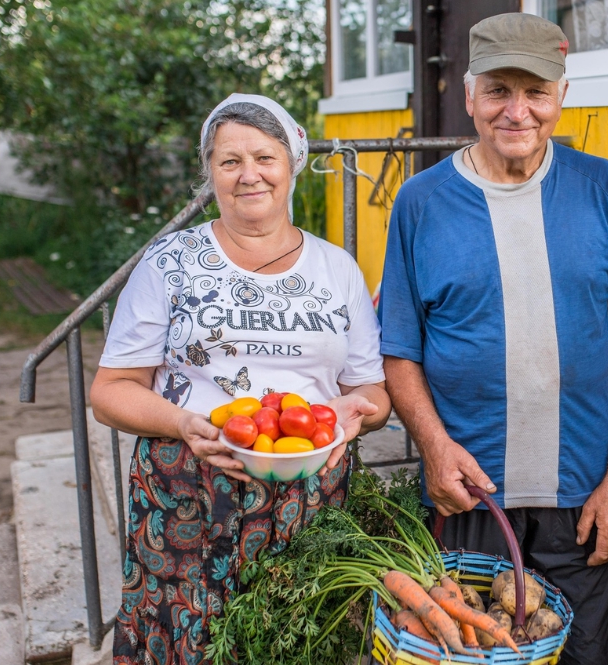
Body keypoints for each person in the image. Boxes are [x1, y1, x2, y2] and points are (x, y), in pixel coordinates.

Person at [378, 13, 608, 663]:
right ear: (468, 94)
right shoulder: (421, 202)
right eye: (498, 90)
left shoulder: (605, 189)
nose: (518, 111)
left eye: (535, 91)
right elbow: (399, 348)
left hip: (583, 494)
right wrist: (434, 447)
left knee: (578, 652)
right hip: (470, 491)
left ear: (562, 94)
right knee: (468, 652)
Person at [89, 93, 390, 664]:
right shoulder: (170, 261)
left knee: (299, 642)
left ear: (292, 163)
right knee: (191, 642)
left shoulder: (337, 269)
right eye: (230, 161)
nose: (249, 174)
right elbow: (109, 391)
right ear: (210, 173)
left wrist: (358, 417)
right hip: (187, 498)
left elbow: (370, 391)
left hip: (308, 502)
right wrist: (182, 421)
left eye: (264, 157)